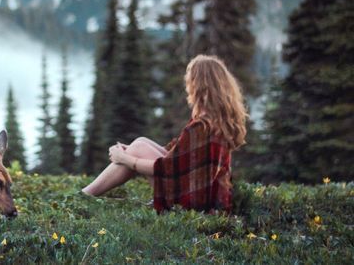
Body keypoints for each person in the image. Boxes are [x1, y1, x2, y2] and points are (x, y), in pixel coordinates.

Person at [82, 55, 248, 213]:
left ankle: (83, 196)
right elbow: (180, 156)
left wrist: (124, 158)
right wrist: (131, 149)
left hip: (193, 204)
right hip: (207, 197)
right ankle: (85, 193)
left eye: (190, 80)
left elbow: (167, 168)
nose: (187, 85)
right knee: (140, 143)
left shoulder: (202, 125)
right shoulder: (217, 120)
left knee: (138, 148)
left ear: (199, 85)